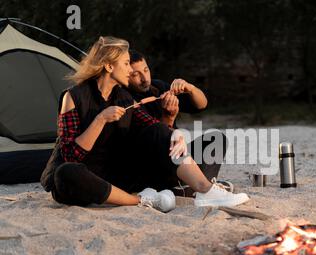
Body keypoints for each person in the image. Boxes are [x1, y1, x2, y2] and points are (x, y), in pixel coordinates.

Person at [40, 36, 249, 212]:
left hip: (118, 176)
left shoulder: (123, 96)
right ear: (109, 66)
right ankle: (141, 200)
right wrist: (100, 119)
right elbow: (70, 155)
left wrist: (175, 135)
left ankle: (205, 190)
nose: (130, 71)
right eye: (125, 64)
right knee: (66, 173)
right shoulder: (73, 97)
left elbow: (151, 126)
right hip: (85, 176)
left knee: (160, 130)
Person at [127, 50, 229, 196]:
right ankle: (194, 188)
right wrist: (169, 117)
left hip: (177, 154)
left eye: (146, 70)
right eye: (136, 74)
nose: (144, 78)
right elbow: (158, 137)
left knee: (217, 139)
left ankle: (200, 186)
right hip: (152, 164)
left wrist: (190, 88)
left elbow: (202, 104)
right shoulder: (126, 99)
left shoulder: (158, 87)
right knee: (165, 138)